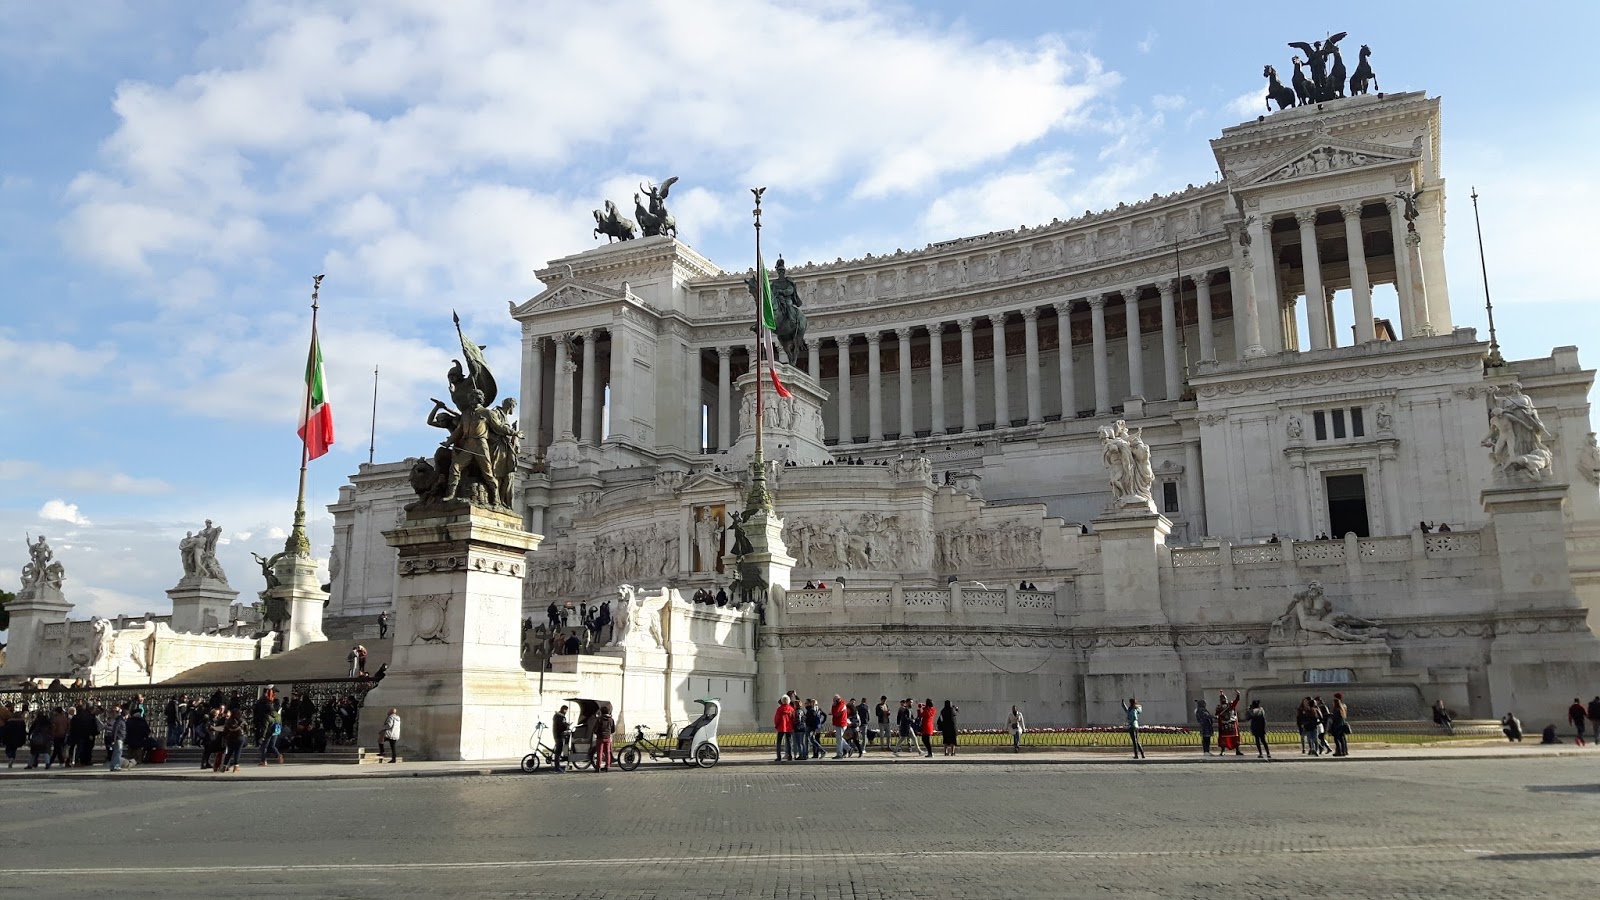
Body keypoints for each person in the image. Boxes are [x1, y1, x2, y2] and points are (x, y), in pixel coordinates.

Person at [1216, 691, 1243, 756]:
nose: (1223, 699)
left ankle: (1238, 750)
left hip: (1231, 722)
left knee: (1235, 737)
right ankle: (1223, 751)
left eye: (1224, 698)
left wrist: (1238, 695)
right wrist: (1217, 716)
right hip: (1224, 723)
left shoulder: (1230, 705)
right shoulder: (1219, 707)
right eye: (1222, 698)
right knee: (1223, 738)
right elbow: (1217, 715)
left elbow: (1236, 701)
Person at [258, 700, 284, 766]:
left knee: (265, 747)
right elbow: (280, 724)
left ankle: (263, 761)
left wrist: (262, 736)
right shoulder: (278, 715)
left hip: (268, 733)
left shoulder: (267, 716)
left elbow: (265, 727)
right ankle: (278, 755)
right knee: (272, 745)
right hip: (275, 732)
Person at [593, 705, 616, 772]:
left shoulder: (600, 719)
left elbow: (595, 729)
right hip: (608, 738)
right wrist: (609, 733)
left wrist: (596, 733)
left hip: (600, 738)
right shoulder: (611, 720)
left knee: (599, 753)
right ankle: (607, 766)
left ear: (601, 712)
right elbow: (613, 730)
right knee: (607, 752)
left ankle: (598, 767)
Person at [773, 695, 795, 763]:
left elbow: (777, 718)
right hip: (789, 727)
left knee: (779, 742)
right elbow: (793, 718)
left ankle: (779, 756)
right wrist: (793, 726)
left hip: (781, 727)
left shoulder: (780, 709)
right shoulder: (791, 709)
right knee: (789, 742)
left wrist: (776, 725)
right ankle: (790, 756)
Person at [106, 705, 128, 772]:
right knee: (118, 753)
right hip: (119, 738)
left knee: (115, 753)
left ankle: (113, 766)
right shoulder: (120, 721)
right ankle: (116, 766)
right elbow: (115, 730)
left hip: (119, 738)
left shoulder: (119, 720)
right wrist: (114, 739)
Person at [1329, 693, 1350, 757]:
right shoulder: (1343, 707)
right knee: (1342, 739)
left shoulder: (1336, 709)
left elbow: (1335, 718)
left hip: (1337, 726)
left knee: (1337, 739)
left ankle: (1339, 751)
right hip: (1342, 725)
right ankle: (1344, 751)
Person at [552, 705, 571, 773]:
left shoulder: (556, 716)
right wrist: (567, 726)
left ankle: (557, 766)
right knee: (558, 751)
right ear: (564, 710)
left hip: (556, 734)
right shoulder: (561, 717)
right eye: (566, 710)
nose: (566, 712)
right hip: (559, 735)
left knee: (558, 750)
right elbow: (561, 726)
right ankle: (557, 767)